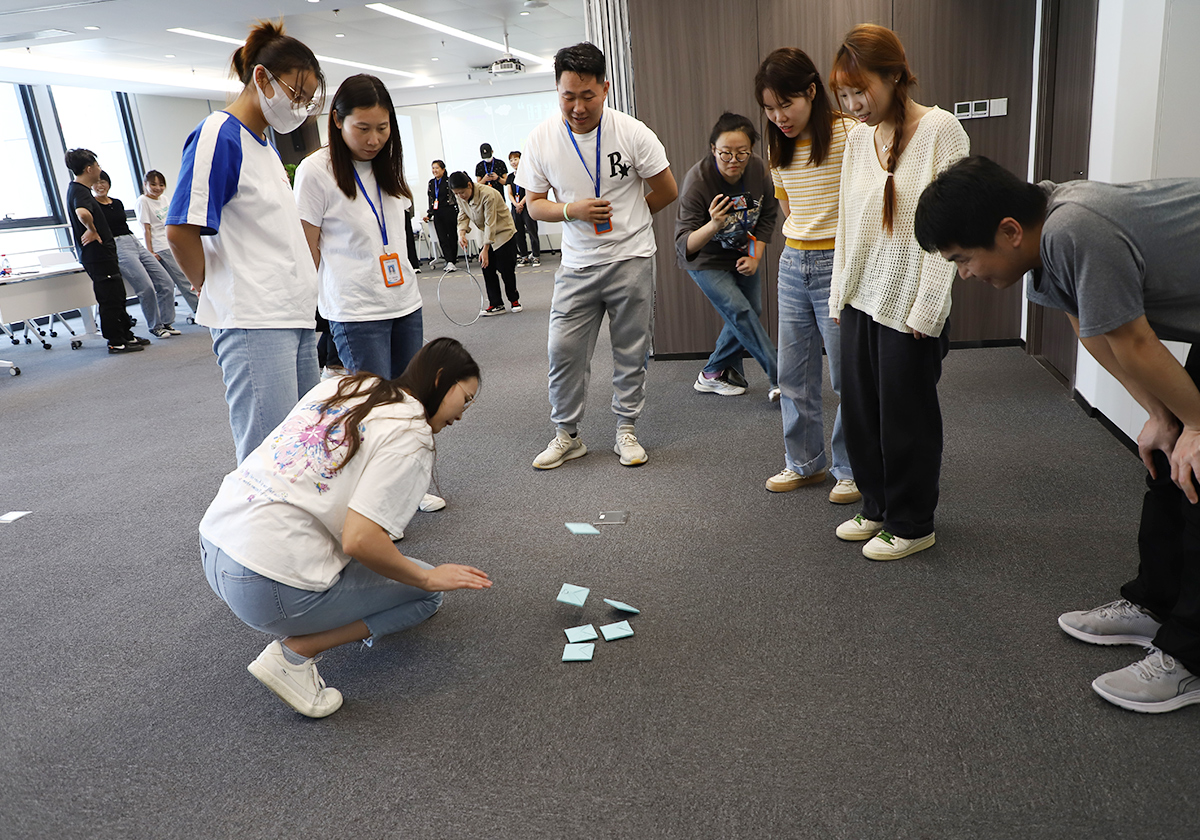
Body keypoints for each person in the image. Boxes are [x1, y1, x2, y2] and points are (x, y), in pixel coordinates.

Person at [914, 155, 1200, 714]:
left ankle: (1191, 658)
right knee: (1170, 456)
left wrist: (1195, 422)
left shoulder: (1073, 229)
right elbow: (1095, 335)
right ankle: (1158, 602)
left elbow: (1137, 342)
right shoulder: (1046, 229)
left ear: (1008, 232)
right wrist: (1162, 418)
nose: (964, 274)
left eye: (963, 259)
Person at [199, 337, 492, 718]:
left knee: (385, 564)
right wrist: (428, 579)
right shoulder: (413, 433)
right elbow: (360, 539)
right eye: (465, 399)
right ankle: (294, 655)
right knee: (425, 595)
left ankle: (321, 615)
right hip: (264, 584)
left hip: (214, 545)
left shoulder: (345, 384)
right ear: (440, 379)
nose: (462, 414)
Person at [827, 24, 969, 560]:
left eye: (859, 92)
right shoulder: (860, 138)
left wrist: (930, 305)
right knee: (862, 409)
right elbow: (848, 221)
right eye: (843, 96)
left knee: (905, 415)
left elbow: (951, 225)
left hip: (911, 302)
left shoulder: (942, 130)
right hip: (862, 296)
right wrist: (840, 294)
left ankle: (913, 522)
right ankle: (878, 505)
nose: (852, 105)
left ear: (894, 76)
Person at [167, 20, 326, 464]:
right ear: (261, 77)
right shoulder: (220, 134)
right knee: (266, 454)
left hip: (289, 313)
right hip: (254, 317)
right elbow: (181, 228)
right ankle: (247, 536)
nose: (299, 106)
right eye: (296, 93)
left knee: (299, 444)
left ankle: (293, 534)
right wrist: (208, 284)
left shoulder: (265, 146)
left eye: (306, 98)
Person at [518, 42, 678, 469]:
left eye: (587, 95)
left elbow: (667, 189)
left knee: (631, 350)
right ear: (557, 91)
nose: (577, 106)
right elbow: (534, 204)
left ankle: (626, 429)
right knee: (563, 350)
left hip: (632, 258)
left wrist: (630, 218)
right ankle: (567, 435)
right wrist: (573, 210)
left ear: (605, 89)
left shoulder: (632, 132)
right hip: (576, 264)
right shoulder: (541, 138)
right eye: (568, 96)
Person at [294, 73, 446, 514]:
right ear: (337, 121)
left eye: (383, 128)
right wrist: (312, 312)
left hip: (404, 302)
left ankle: (409, 486)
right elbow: (308, 247)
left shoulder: (387, 165)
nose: (375, 138)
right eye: (363, 128)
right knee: (373, 410)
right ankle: (370, 502)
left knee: (408, 403)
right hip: (356, 309)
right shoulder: (316, 171)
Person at [755, 48, 860, 503]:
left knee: (847, 376)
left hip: (839, 264)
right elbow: (789, 209)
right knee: (794, 376)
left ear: (812, 92)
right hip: (794, 264)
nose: (778, 116)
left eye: (786, 104)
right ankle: (804, 463)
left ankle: (850, 469)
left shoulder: (850, 133)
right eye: (769, 108)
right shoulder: (778, 146)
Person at [674, 113, 779, 402]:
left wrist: (755, 256)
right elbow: (684, 244)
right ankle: (780, 377)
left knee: (751, 309)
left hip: (744, 251)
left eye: (742, 153)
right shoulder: (698, 181)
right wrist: (713, 225)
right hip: (705, 258)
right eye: (726, 154)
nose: (734, 160)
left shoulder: (758, 171)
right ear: (713, 149)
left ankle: (713, 371)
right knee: (739, 311)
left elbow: (768, 216)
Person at [63, 148, 149, 354]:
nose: (100, 170)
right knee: (109, 297)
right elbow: (82, 213)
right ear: (89, 168)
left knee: (118, 295)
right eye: (98, 166)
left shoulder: (80, 190)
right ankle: (115, 341)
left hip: (104, 253)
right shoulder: (79, 190)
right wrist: (92, 230)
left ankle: (126, 334)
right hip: (97, 255)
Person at [93, 170, 179, 339]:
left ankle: (167, 322)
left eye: (103, 182)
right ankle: (155, 326)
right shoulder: (92, 205)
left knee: (166, 282)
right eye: (96, 182)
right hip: (118, 245)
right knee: (145, 287)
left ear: (109, 184)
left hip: (134, 241)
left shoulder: (116, 203)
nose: (100, 185)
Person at [449, 171, 521, 316]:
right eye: (456, 194)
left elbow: (490, 222)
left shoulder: (488, 194)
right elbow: (462, 215)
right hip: (484, 233)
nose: (460, 196)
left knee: (505, 269)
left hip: (503, 232)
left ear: (470, 185)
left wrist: (486, 249)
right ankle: (496, 304)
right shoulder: (460, 197)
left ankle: (514, 300)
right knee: (487, 268)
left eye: (462, 192)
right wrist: (462, 233)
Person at [135, 170, 199, 317]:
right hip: (160, 246)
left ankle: (199, 310)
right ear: (145, 185)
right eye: (153, 184)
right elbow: (146, 229)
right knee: (183, 280)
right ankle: (198, 311)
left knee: (187, 276)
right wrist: (150, 251)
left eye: (161, 184)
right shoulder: (143, 201)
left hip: (173, 243)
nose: (158, 188)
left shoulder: (164, 199)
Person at [423, 160, 459, 270]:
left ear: (443, 169)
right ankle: (448, 260)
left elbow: (455, 197)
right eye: (433, 168)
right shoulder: (431, 183)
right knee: (442, 237)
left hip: (449, 210)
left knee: (452, 236)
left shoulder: (448, 181)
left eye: (437, 168)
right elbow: (431, 200)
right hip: (438, 212)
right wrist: (429, 214)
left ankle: (452, 259)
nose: (434, 170)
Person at [506, 150, 540, 266]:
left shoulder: (527, 174)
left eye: (515, 159)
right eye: (511, 160)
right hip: (515, 208)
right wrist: (516, 204)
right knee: (518, 233)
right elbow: (509, 193)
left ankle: (535, 256)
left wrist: (521, 203)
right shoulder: (510, 176)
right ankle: (524, 256)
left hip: (527, 206)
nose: (513, 162)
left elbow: (530, 190)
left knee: (532, 231)